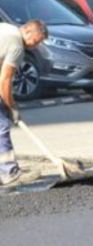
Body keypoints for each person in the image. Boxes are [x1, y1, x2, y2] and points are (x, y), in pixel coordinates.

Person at [0, 20, 48, 187]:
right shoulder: (17, 45)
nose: (35, 46)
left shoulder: (6, 28)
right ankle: (9, 173)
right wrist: (11, 107)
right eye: (35, 41)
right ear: (27, 31)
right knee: (2, 128)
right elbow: (5, 80)